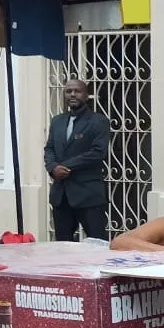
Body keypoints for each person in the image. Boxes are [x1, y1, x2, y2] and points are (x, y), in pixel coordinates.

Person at [44, 79, 110, 242]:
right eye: (68, 91)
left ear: (87, 95)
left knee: (97, 243)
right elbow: (49, 148)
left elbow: (98, 152)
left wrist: (64, 166)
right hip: (61, 195)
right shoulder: (57, 121)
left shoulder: (98, 121)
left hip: (88, 194)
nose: (72, 94)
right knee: (63, 245)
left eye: (77, 91)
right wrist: (53, 168)